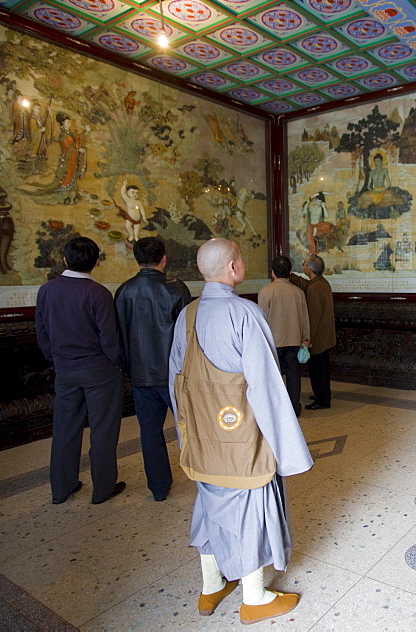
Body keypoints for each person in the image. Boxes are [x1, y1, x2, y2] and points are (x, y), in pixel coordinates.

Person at [168, 238, 313, 623]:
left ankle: (212, 585)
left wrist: (186, 435)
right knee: (249, 507)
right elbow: (266, 387)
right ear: (233, 268)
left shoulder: (189, 314)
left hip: (202, 434)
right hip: (240, 437)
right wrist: (288, 450)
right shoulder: (244, 313)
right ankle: (254, 598)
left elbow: (175, 383)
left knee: (210, 502)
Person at [35, 237, 126, 505]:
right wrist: (118, 363)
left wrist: (54, 360)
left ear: (64, 260)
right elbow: (109, 338)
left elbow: (42, 332)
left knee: (65, 429)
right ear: (96, 262)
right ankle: (103, 489)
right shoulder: (98, 293)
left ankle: (62, 488)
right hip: (99, 371)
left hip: (65, 369)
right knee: (103, 430)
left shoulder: (47, 291)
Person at [114, 237, 192, 501]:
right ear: (164, 258)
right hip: (173, 372)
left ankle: (158, 488)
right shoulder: (176, 288)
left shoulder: (124, 291)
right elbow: (187, 332)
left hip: (140, 373)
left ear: (137, 259)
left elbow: (120, 335)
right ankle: (204, 476)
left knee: (149, 431)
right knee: (190, 425)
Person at [257, 254, 311, 416]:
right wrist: (306, 339)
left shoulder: (265, 292)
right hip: (294, 341)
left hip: (274, 343)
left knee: (273, 378)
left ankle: (276, 410)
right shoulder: (298, 292)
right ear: (289, 272)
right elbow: (304, 318)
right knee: (294, 377)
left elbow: (262, 320)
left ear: (273, 272)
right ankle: (294, 408)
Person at [291, 254, 336, 410]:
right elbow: (305, 284)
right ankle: (323, 394)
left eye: (304, 264)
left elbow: (313, 317)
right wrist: (289, 275)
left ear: (309, 268)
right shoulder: (321, 283)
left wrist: (308, 339)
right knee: (322, 369)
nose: (303, 265)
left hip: (318, 339)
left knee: (317, 372)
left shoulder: (315, 288)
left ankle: (322, 400)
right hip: (325, 337)